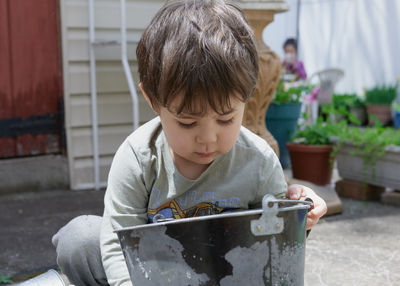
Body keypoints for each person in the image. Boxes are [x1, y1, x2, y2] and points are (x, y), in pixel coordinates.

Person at [52, 1, 327, 285]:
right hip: (153, 271)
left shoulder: (258, 161)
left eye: (226, 120)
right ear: (153, 100)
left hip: (225, 274)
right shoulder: (139, 156)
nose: (208, 138)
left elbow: (276, 246)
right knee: (80, 238)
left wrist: (299, 214)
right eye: (187, 122)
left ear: (246, 98)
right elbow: (116, 241)